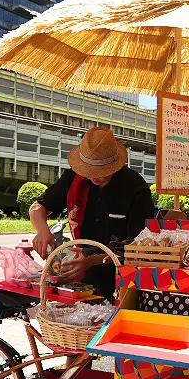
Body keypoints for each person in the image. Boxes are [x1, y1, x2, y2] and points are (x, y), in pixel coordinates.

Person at [30, 127, 155, 297]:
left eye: (102, 171)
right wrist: (43, 231)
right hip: (81, 280)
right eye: (89, 170)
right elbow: (38, 208)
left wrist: (91, 260)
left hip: (122, 278)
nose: (95, 176)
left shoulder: (134, 187)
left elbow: (139, 245)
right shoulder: (74, 179)